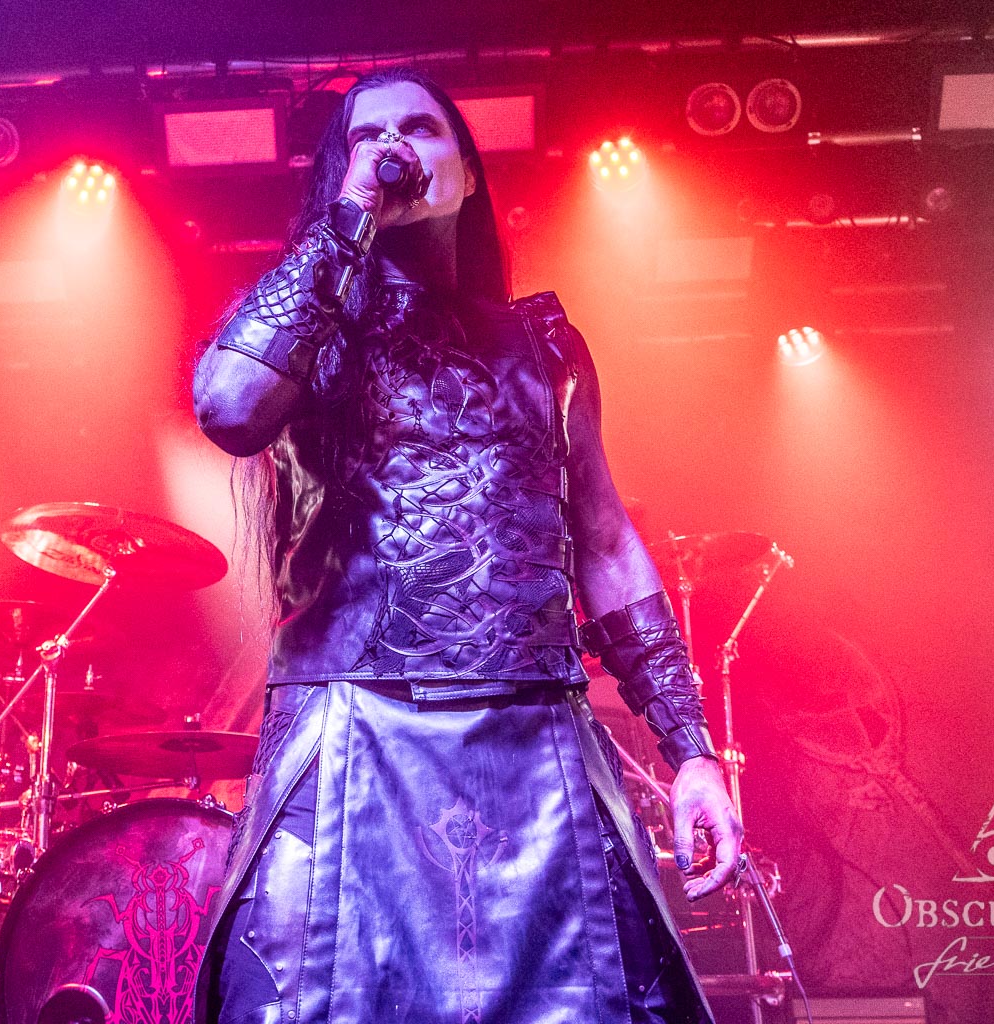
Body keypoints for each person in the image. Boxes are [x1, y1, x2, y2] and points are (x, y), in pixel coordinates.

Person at [191, 67, 743, 1024]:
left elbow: (607, 543)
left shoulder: (548, 346)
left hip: (535, 738)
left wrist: (691, 750)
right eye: (366, 137)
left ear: (470, 171)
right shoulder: (307, 328)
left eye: (420, 129)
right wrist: (349, 220)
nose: (393, 147)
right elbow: (229, 408)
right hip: (355, 725)